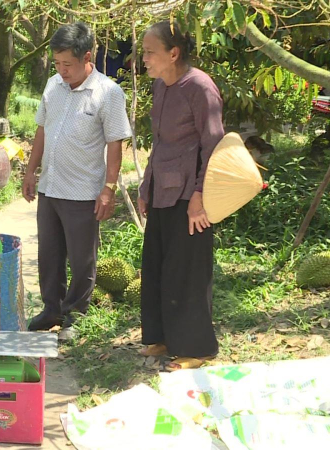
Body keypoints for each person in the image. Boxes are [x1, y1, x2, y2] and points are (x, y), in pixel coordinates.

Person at [23, 23, 132, 339]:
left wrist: (108, 189)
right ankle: (51, 310)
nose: (61, 70)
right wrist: (31, 172)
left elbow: (115, 143)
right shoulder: (53, 86)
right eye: (57, 63)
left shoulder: (108, 93)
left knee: (82, 259)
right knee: (49, 254)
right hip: (50, 187)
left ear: (88, 57)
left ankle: (76, 315)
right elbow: (42, 130)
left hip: (83, 191)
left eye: (67, 64)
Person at [137, 21, 224, 371]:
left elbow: (214, 145)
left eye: (149, 52)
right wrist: (146, 186)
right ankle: (160, 337)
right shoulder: (162, 86)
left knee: (187, 271)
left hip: (191, 196)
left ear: (173, 54)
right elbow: (159, 144)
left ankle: (196, 349)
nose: (142, 59)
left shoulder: (201, 88)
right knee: (157, 266)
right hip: (162, 192)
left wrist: (201, 195)